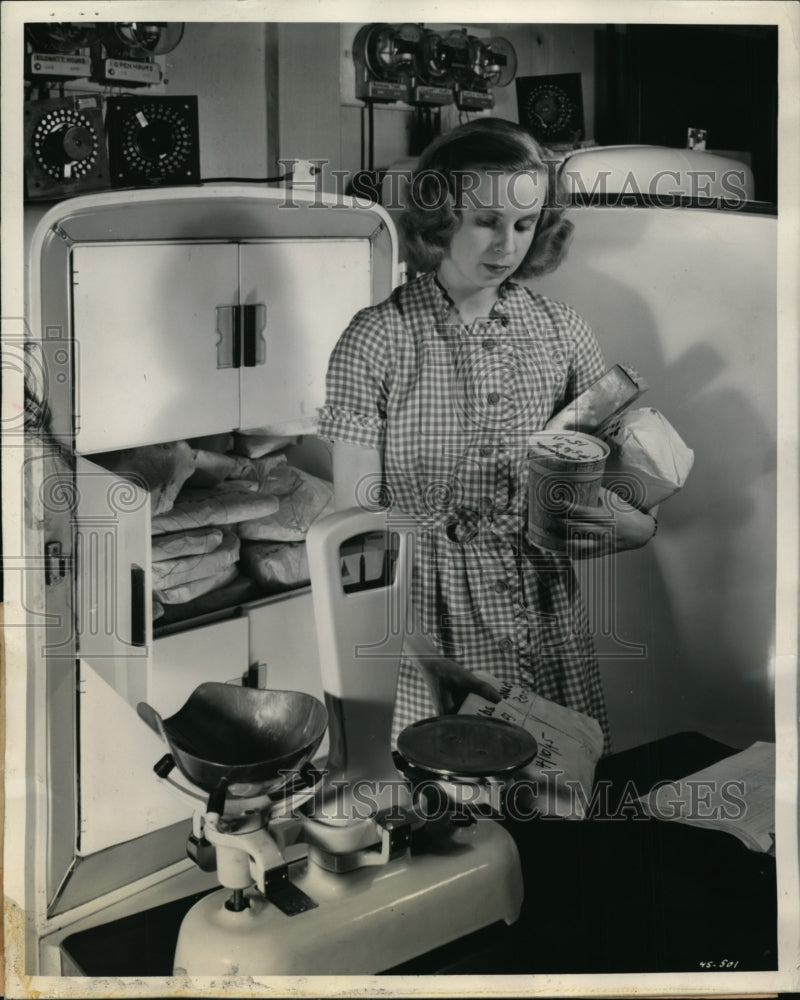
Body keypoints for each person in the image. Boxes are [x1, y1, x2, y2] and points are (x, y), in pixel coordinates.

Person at [317, 118, 657, 752]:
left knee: (557, 795)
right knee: (455, 810)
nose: (507, 245)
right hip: (425, 616)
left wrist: (637, 525)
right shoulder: (377, 338)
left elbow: (614, 473)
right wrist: (408, 647)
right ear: (440, 216)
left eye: (525, 225)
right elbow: (356, 526)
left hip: (544, 605)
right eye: (487, 220)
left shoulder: (563, 332)